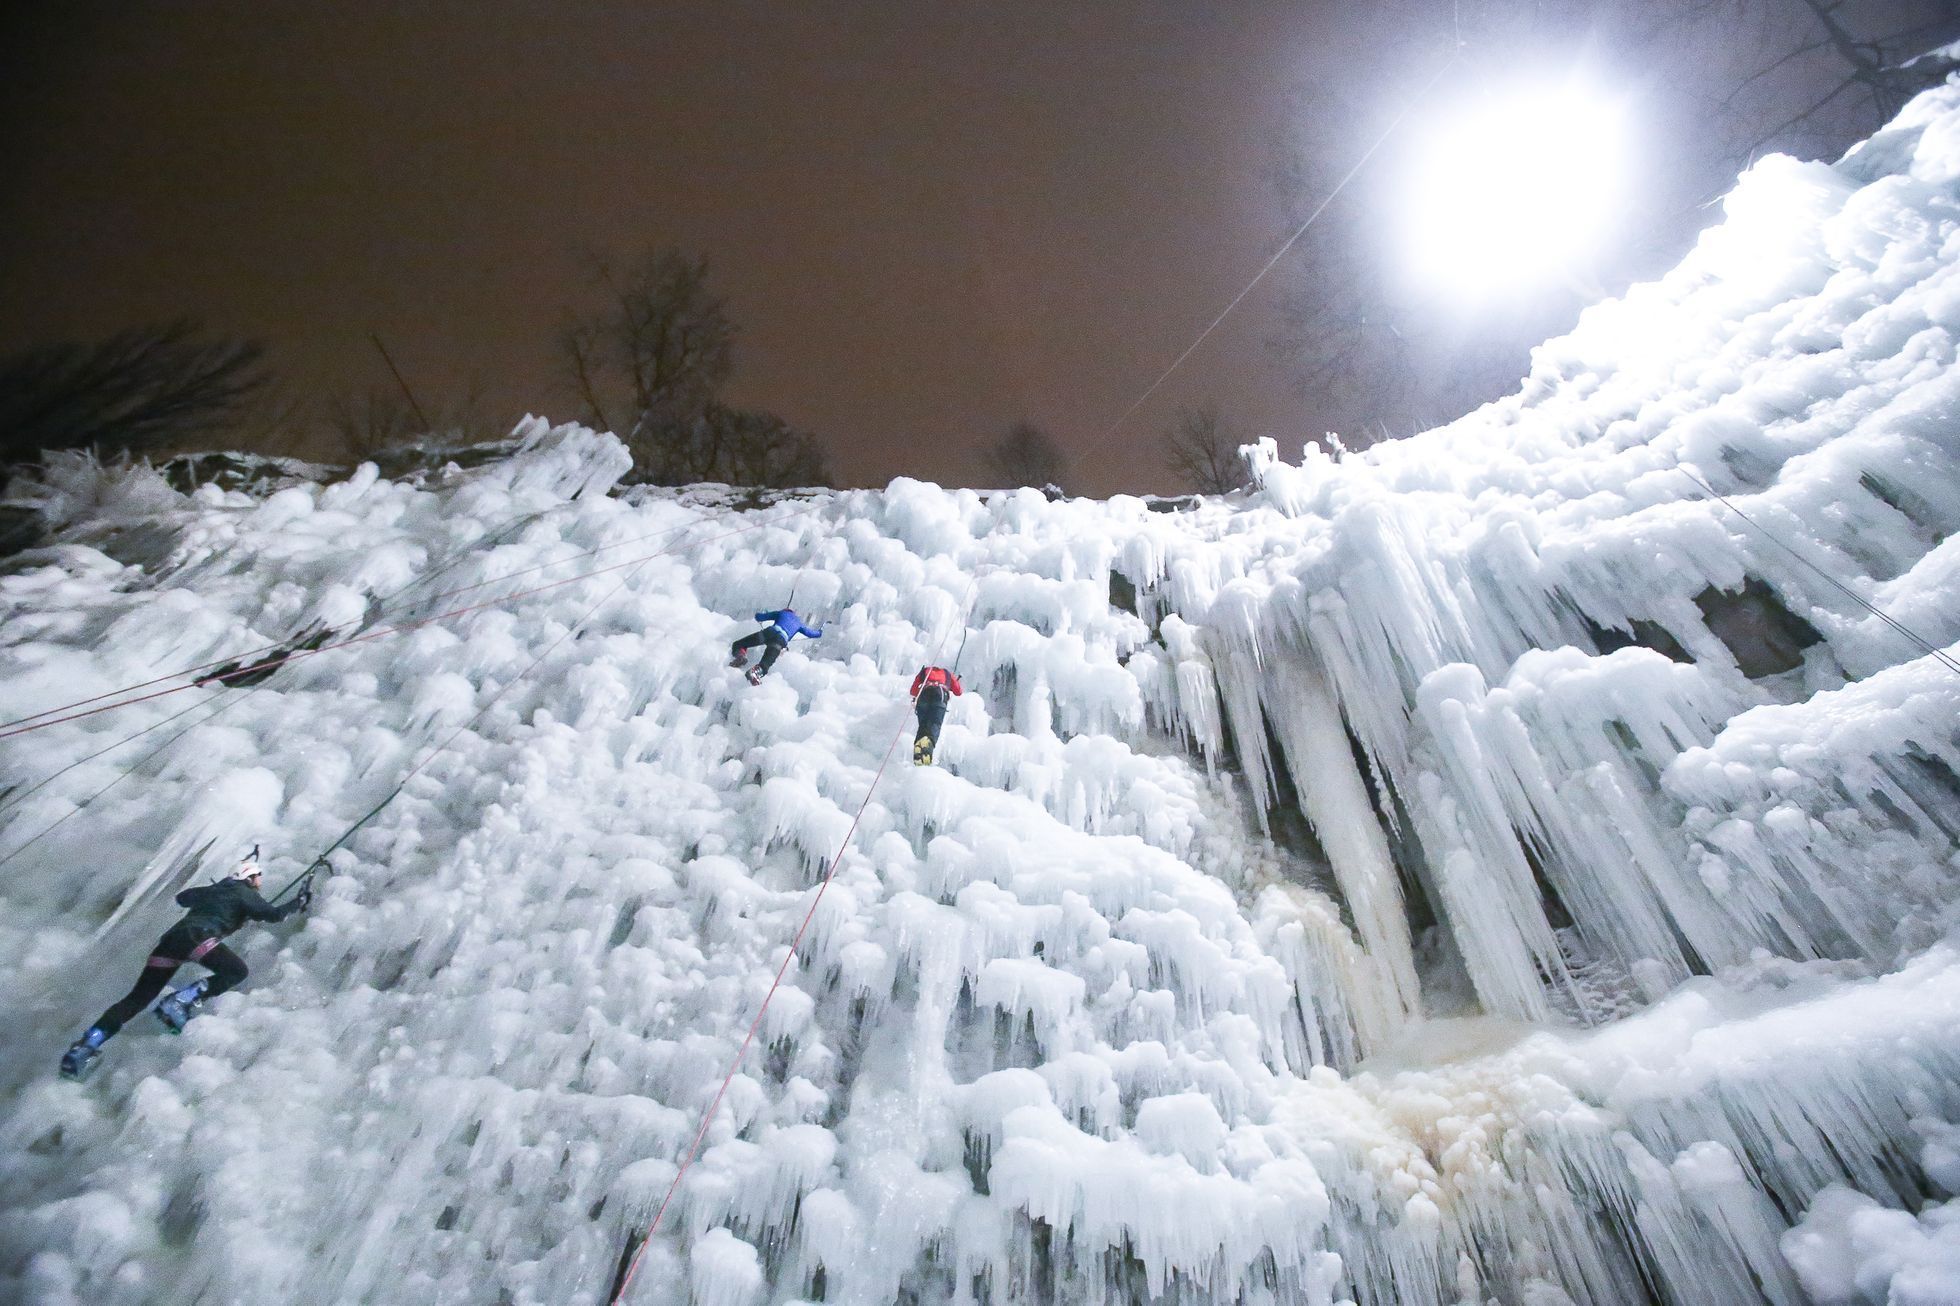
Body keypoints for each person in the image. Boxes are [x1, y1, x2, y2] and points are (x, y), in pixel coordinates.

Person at [60, 855, 310, 1081]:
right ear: (249, 876)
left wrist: (215, 893)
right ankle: (180, 1001)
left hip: (170, 942)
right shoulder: (243, 892)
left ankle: (85, 1046)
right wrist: (297, 902)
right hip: (198, 937)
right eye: (258, 877)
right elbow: (273, 914)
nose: (260, 883)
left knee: (136, 999)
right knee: (236, 972)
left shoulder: (217, 890)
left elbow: (184, 898)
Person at [729, 608, 823, 684]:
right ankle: (755, 673)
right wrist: (820, 631)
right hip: (780, 641)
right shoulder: (799, 624)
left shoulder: (781, 613)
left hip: (769, 633)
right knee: (765, 664)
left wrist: (760, 613)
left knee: (738, 644)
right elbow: (811, 633)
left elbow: (760, 617)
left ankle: (741, 656)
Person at [909, 664, 963, 766]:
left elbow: (913, 691)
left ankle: (918, 748)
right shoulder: (947, 674)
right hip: (940, 696)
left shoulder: (925, 671)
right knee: (935, 723)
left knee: (923, 724)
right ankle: (928, 745)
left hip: (924, 696)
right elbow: (958, 692)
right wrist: (951, 685)